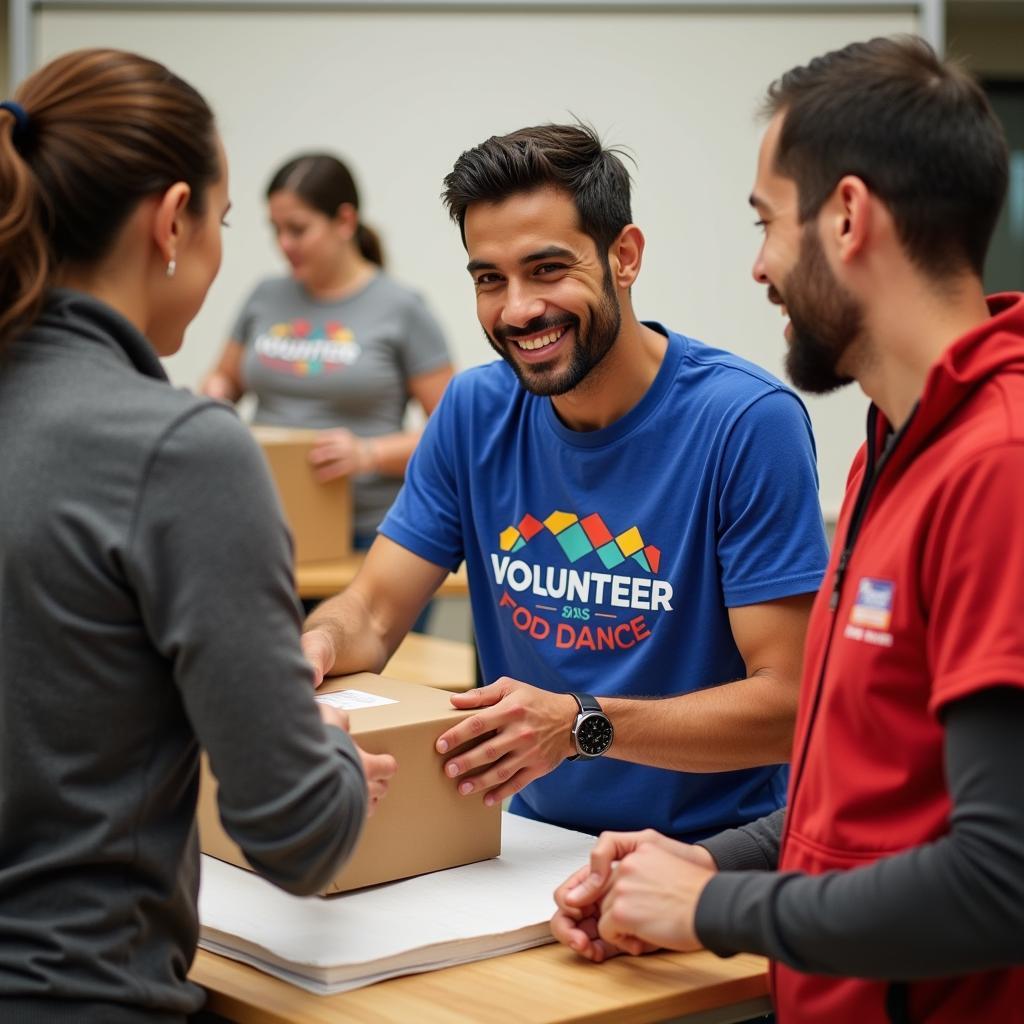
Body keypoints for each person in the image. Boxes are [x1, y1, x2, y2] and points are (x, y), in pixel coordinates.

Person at [551, 35, 1024, 1024]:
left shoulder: (996, 469)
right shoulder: (891, 445)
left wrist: (715, 905)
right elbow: (869, 802)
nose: (759, 265)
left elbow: (997, 880)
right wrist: (695, 864)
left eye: (767, 222)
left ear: (847, 215)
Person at [0, 49, 395, 1023]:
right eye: (222, 224)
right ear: (170, 220)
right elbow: (296, 832)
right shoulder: (180, 452)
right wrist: (324, 749)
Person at [303, 123, 831, 844]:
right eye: (490, 279)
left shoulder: (745, 422)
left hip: (706, 857)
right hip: (522, 845)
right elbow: (370, 610)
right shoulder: (473, 410)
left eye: (547, 269)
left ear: (625, 256)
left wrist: (580, 723)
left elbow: (792, 706)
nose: (517, 310)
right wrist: (318, 645)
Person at [201, 151, 454, 552]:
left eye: (298, 230)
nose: (284, 245)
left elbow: (452, 437)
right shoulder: (264, 297)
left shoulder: (402, 308)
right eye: (276, 230)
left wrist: (368, 454)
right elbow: (225, 380)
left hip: (370, 533)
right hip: (266, 520)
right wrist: (214, 396)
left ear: (345, 221)